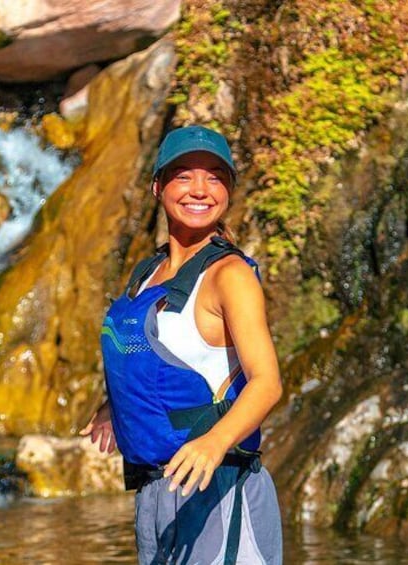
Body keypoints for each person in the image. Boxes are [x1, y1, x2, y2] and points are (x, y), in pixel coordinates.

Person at [80, 125, 283, 564]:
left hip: (220, 489)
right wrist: (114, 405)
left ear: (228, 189)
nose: (200, 189)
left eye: (214, 176)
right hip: (157, 494)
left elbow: (267, 383)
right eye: (184, 175)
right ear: (158, 186)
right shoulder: (147, 274)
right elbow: (158, 356)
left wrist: (214, 442)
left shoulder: (231, 276)